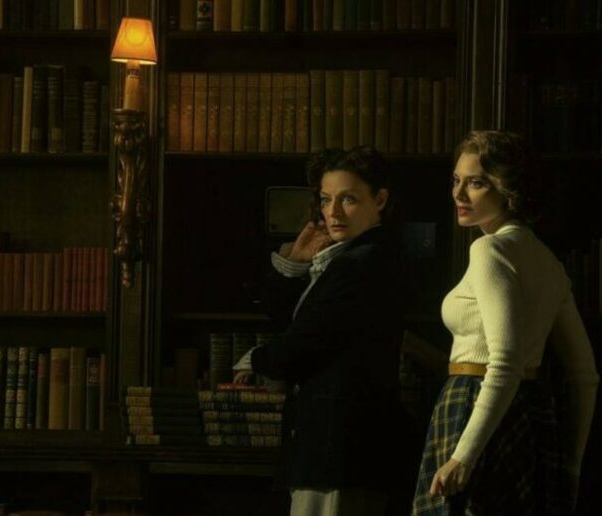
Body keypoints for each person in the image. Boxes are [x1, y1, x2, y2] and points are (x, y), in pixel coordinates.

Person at [411, 130, 599, 515]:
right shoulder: (548, 262)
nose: (458, 194)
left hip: (473, 407)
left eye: (476, 183)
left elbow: (505, 363)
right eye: (456, 180)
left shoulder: (489, 249)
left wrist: (463, 455)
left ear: (508, 188)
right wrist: (571, 465)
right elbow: (585, 376)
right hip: (531, 418)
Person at [233, 146, 408, 516]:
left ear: (380, 200)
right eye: (327, 200)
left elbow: (306, 341)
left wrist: (256, 358)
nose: (333, 213)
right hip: (332, 449)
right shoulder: (346, 258)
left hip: (343, 447)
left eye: (348, 199)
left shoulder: (363, 263)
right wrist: (295, 263)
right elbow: (290, 320)